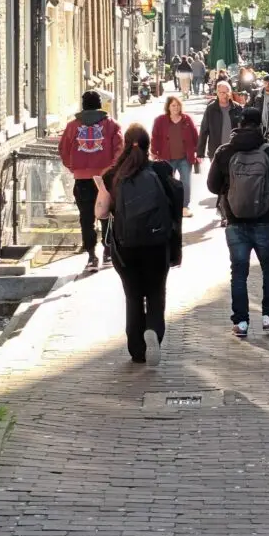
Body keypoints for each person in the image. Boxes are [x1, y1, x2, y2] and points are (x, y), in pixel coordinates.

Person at [93, 124, 183, 366]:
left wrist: (102, 190)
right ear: (148, 145)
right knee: (156, 293)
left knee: (133, 297)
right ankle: (153, 329)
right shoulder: (162, 170)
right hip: (157, 244)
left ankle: (136, 350)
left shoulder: (113, 175)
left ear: (126, 145)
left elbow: (101, 213)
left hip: (126, 247)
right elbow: (175, 203)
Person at [207, 108, 269, 338]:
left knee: (238, 272)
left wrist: (229, 191)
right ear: (260, 125)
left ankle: (240, 323)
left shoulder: (224, 152)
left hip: (235, 221)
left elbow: (211, 185)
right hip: (264, 221)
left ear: (240, 123)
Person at [58, 91, 123, 271]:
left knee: (86, 218)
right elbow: (119, 149)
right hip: (104, 180)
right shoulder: (111, 125)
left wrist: (74, 167)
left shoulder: (72, 126)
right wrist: (111, 170)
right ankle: (108, 251)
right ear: (100, 105)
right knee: (107, 215)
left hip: (82, 180)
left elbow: (63, 149)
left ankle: (91, 256)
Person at [198, 80, 243, 226]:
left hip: (234, 150)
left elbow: (243, 129)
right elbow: (204, 130)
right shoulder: (211, 109)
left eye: (226, 92)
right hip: (216, 151)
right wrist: (200, 152)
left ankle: (225, 210)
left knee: (231, 181)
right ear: (217, 93)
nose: (223, 95)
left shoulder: (237, 109)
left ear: (230, 93)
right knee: (222, 181)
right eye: (221, 92)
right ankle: (224, 211)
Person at [151, 95, 200, 217]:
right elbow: (155, 137)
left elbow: (195, 136)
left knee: (185, 183)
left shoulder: (187, 119)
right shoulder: (160, 120)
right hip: (167, 158)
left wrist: (198, 152)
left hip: (185, 158)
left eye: (178, 105)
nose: (176, 107)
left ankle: (184, 207)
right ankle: (169, 206)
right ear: (168, 107)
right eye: (173, 105)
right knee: (168, 183)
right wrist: (154, 152)